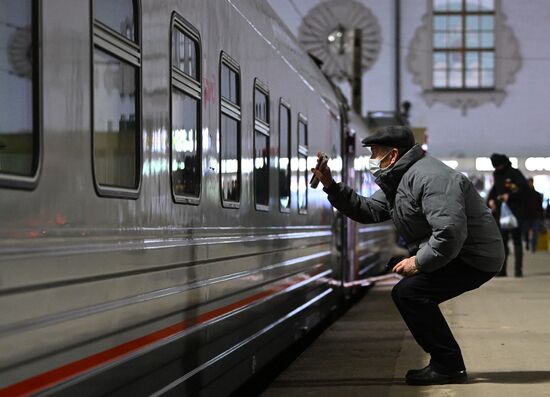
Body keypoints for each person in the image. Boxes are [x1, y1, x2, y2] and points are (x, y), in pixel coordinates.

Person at [311, 126, 504, 386]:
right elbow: (369, 210)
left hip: (474, 256)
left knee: (411, 293)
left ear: (392, 154)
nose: (372, 159)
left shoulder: (432, 178)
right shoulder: (400, 178)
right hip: (457, 252)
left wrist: (418, 262)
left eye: (375, 153)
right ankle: (446, 363)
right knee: (410, 292)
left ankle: (448, 365)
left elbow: (449, 232)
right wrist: (331, 186)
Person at [487, 154, 528, 277]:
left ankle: (518, 270)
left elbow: (524, 189)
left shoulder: (515, 173)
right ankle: (502, 270)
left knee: (517, 242)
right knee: (502, 243)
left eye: (499, 166)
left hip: (516, 213)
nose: (498, 168)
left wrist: (509, 196)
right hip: (501, 214)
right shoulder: (497, 174)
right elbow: (494, 191)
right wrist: (491, 201)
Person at [522, 178, 544, 252]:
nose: (529, 184)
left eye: (530, 182)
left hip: (535, 216)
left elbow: (540, 206)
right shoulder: (524, 195)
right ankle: (527, 243)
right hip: (526, 216)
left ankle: (533, 247)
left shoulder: (537, 194)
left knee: (535, 232)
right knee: (526, 231)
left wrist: (541, 216)